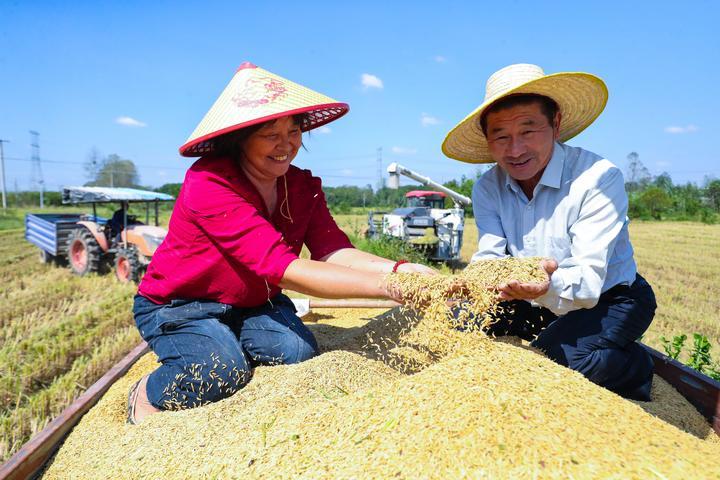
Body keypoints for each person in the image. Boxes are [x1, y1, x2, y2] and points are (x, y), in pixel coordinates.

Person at [128, 62, 436, 424]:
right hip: (182, 304)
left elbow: (333, 251)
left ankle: (225, 336)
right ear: (239, 137)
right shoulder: (210, 182)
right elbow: (284, 268)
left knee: (298, 352)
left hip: (255, 302)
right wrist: (394, 287)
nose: (286, 144)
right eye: (270, 134)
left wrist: (405, 271)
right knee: (222, 371)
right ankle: (146, 390)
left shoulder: (302, 186)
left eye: (294, 130)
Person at [442, 63, 657, 401]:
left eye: (528, 131)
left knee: (554, 361)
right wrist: (472, 284)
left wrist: (542, 285)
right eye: (501, 136)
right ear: (487, 139)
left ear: (555, 124)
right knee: (459, 326)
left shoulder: (598, 178)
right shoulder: (487, 188)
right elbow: (491, 254)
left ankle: (637, 366)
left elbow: (586, 284)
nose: (515, 150)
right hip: (532, 294)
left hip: (610, 297)